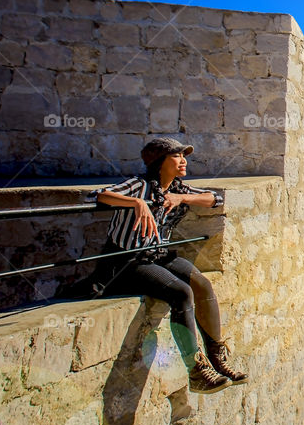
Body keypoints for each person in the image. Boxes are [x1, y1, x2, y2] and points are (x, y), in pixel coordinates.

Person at [88, 137, 247, 394]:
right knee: (181, 292)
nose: (183, 160)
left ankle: (217, 357)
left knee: (202, 284)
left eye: (184, 156)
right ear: (161, 161)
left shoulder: (177, 189)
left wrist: (181, 199)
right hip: (127, 260)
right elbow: (98, 195)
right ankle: (196, 370)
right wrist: (137, 203)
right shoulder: (139, 186)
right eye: (177, 156)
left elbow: (214, 199)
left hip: (158, 254)